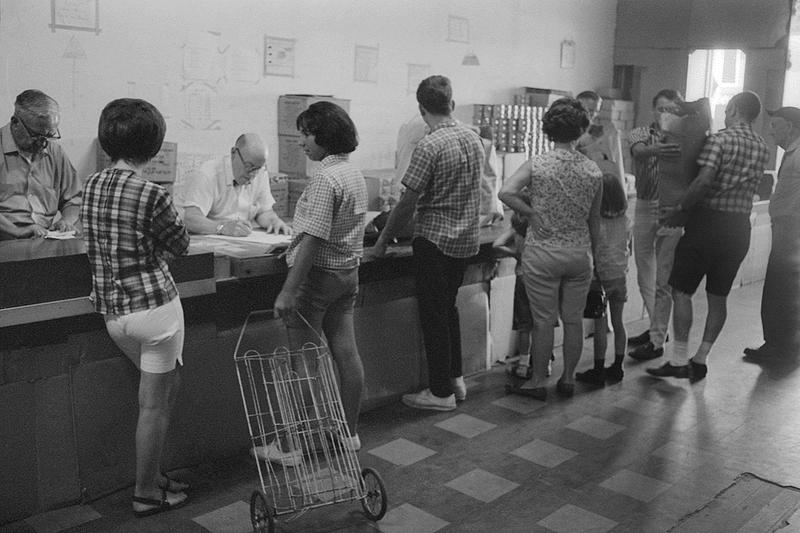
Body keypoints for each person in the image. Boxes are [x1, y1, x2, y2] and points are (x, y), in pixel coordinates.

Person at [81, 99, 190, 516]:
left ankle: (155, 475)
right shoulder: (152, 192)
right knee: (155, 405)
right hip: (156, 314)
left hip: (114, 315)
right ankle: (145, 491)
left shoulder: (90, 185)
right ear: (155, 145)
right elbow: (179, 243)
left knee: (157, 399)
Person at [368, 75, 484, 411]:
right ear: (452, 102)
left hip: (434, 241)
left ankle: (440, 393)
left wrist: (382, 242)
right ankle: (455, 380)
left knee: (433, 315)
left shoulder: (429, 146)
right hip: (465, 241)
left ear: (421, 110)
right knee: (448, 308)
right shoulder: (473, 139)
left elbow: (407, 203)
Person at [649, 91, 769, 380]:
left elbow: (703, 181)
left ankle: (678, 360)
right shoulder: (762, 147)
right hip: (739, 228)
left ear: (735, 109)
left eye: (728, 110)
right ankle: (701, 358)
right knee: (718, 297)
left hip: (707, 224)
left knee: (681, 290)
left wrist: (679, 207)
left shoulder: (719, 140)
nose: (725, 115)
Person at [272, 101, 368, 457]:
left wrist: (288, 289)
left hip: (317, 280)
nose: (301, 142)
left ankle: (290, 446)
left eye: (306, 133)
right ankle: (348, 434)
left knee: (304, 361)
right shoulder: (352, 174)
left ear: (324, 136)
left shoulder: (325, 179)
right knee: (346, 351)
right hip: (347, 275)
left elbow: (313, 238)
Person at [499, 97, 602, 401]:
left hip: (542, 253)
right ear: (581, 130)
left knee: (543, 322)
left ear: (548, 130)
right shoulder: (593, 171)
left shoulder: (538, 164)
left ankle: (537, 381)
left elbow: (506, 192)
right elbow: (594, 221)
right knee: (573, 321)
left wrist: (531, 214)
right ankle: (568, 379)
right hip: (578, 254)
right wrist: (592, 255)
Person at [626, 90, 684, 359]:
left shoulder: (683, 137)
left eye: (671, 109)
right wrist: (658, 149)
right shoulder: (640, 133)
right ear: (653, 110)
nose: (665, 114)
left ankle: (657, 336)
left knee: (664, 279)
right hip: (646, 205)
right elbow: (638, 152)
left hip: (671, 209)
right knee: (643, 271)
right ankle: (655, 327)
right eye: (661, 108)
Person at [744, 106, 800, 359]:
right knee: (785, 288)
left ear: (790, 126)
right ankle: (786, 343)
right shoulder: (791, 153)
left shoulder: (798, 154)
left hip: (791, 229)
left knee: (779, 288)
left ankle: (777, 345)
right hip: (788, 227)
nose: (771, 130)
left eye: (775, 125)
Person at [0, 89, 81, 239]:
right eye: (36, 135)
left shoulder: (54, 151)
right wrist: (16, 231)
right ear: (15, 122)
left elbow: (74, 199)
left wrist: (66, 221)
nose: (43, 143)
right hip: (5, 241)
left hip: (44, 239)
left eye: (49, 136)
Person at [576, 171, 631, 385]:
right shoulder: (626, 219)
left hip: (599, 276)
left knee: (600, 325)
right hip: (620, 275)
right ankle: (618, 367)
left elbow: (591, 248)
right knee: (619, 322)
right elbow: (628, 247)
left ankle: (598, 370)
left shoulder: (595, 221)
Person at [180, 133, 290, 236]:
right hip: (209, 241)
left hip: (243, 242)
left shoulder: (260, 173)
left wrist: (274, 221)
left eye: (258, 168)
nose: (253, 174)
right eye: (249, 166)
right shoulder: (208, 174)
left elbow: (263, 211)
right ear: (233, 153)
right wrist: (221, 227)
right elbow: (191, 219)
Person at [576, 90, 625, 181]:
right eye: (589, 110)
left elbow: (615, 163)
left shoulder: (605, 133)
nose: (593, 115)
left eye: (596, 111)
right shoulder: (567, 133)